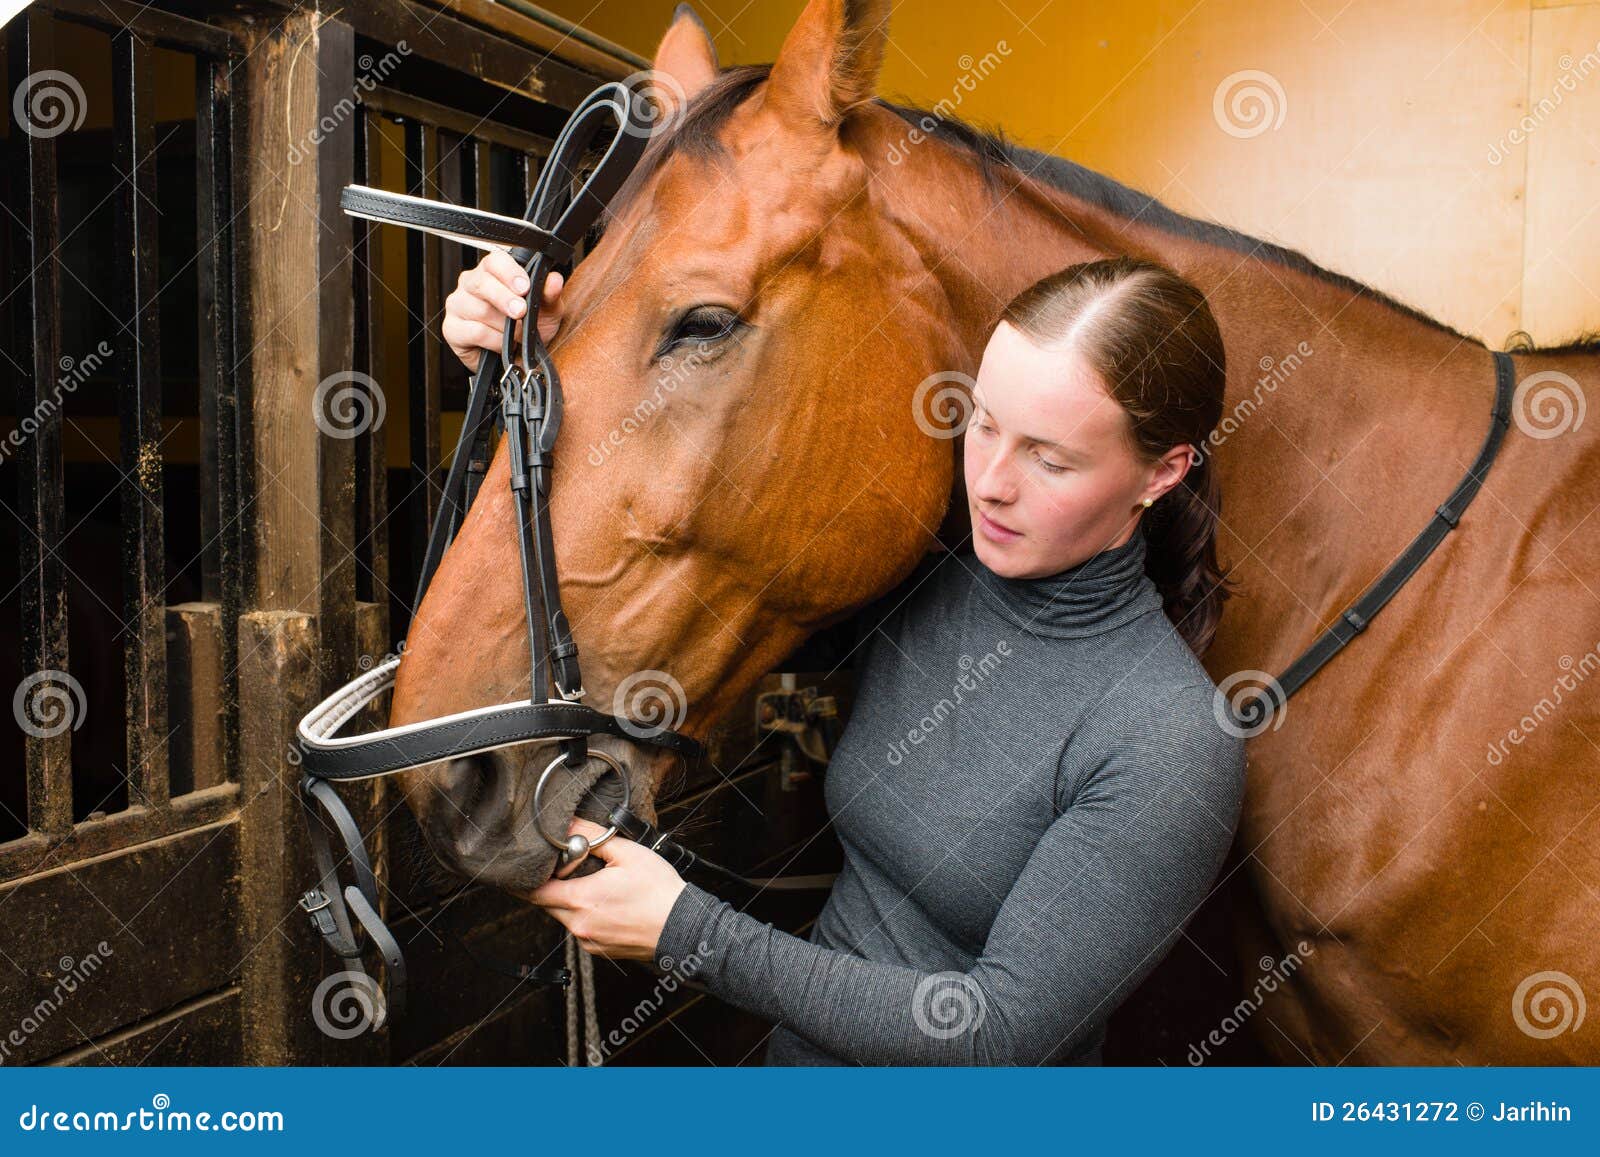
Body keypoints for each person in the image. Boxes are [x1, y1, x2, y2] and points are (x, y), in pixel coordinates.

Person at [443, 251, 1246, 1064]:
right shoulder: (931, 575)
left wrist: (687, 931)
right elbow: (691, 552)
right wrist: (538, 374)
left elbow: (994, 1035)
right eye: (984, 423)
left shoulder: (1172, 741)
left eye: (1049, 457)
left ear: (1163, 471)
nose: (991, 482)